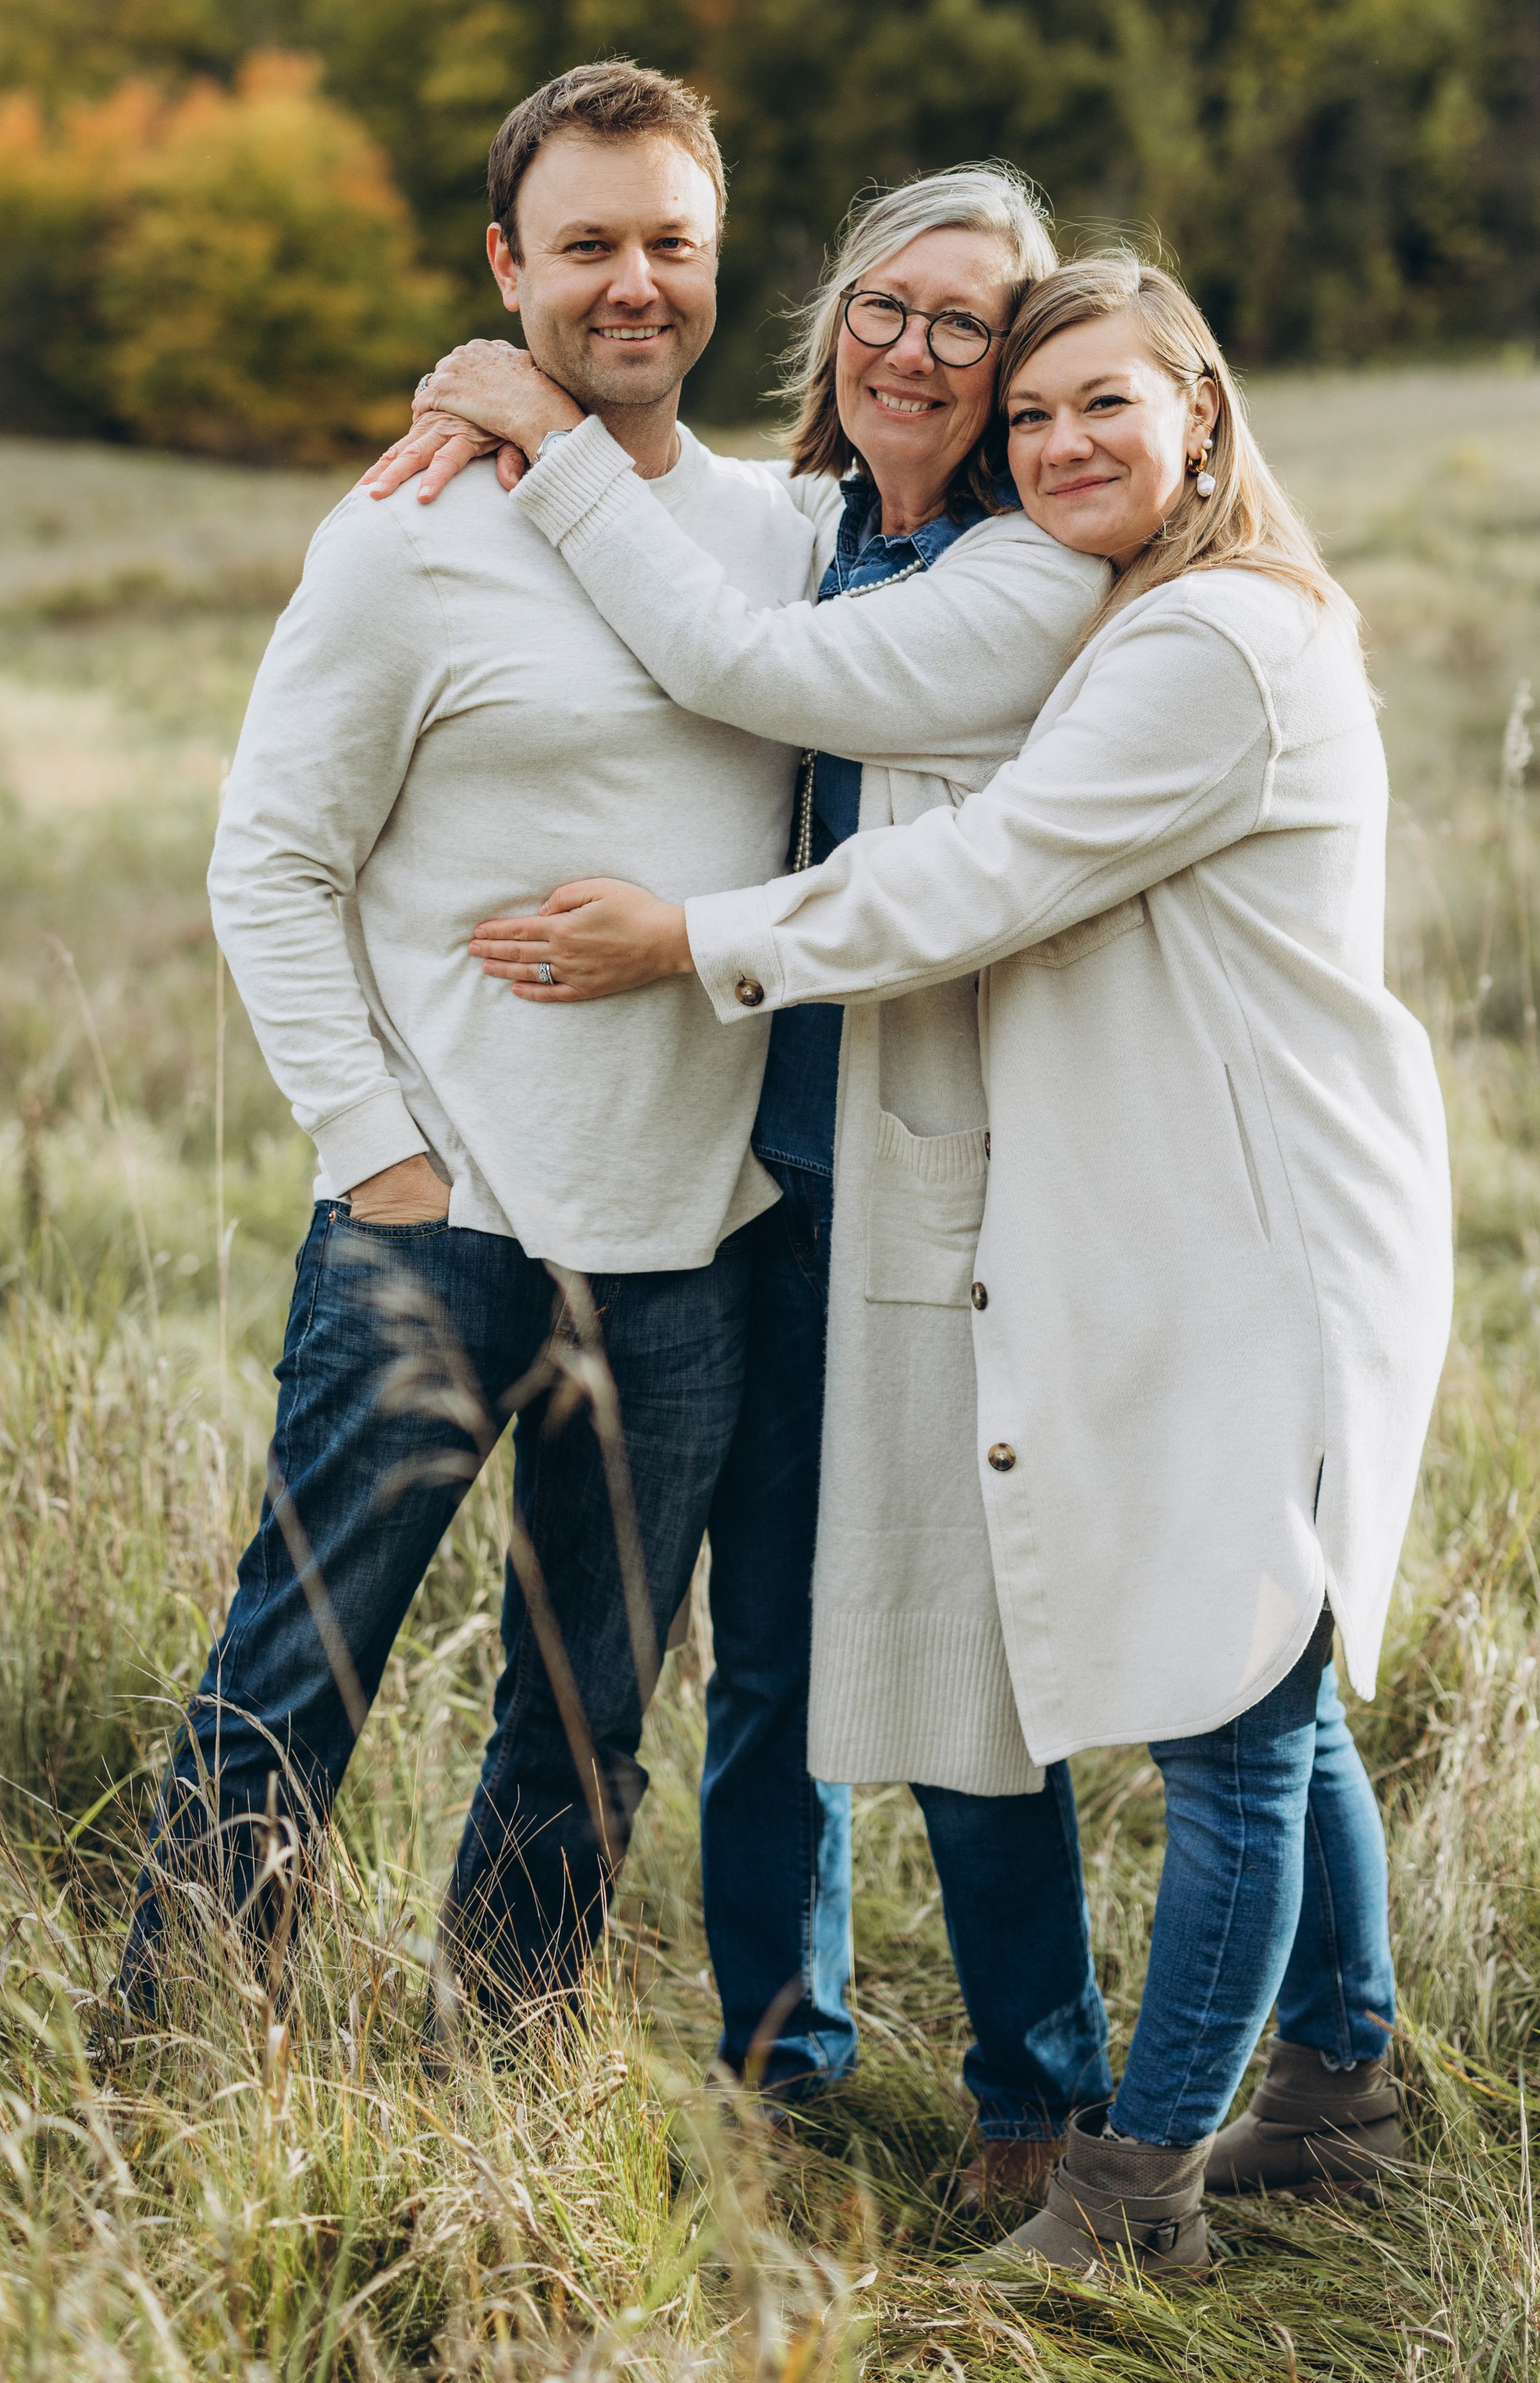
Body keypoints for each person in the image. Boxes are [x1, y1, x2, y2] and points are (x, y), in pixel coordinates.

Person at [455, 251, 1453, 2276]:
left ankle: (1131, 2192)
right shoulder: (1160, 613)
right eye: (1032, 416)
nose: (1061, 442)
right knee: (1286, 1688)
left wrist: (694, 939)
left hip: (1253, 1233)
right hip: (1218, 1209)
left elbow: (977, 879)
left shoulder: (1209, 650)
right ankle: (1341, 2090)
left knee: (1236, 1729)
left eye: (1107, 403)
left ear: (1204, 407)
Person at [370, 167, 1119, 2190]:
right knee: (771, 1650)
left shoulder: (1013, 577)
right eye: (885, 303)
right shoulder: (819, 534)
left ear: (1024, 360)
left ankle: (1044, 2088)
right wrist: (490, 384)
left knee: (944, 1645)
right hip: (762, 1183)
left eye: (969, 323)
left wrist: (527, 427)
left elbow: (735, 674)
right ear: (833, 322)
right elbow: (688, 565)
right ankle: (784, 2059)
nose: (914, 348)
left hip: (931, 1202)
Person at [118, 58, 852, 2040]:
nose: (633, 284)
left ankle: (495, 2076)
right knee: (299, 1668)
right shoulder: (406, 534)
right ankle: (169, 2061)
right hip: (435, 1230)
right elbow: (266, 863)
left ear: (716, 265)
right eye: (587, 243)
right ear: (504, 265)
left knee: (587, 1716)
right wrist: (383, 1159)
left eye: (670, 244)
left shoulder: (787, 538)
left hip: (686, 1239)